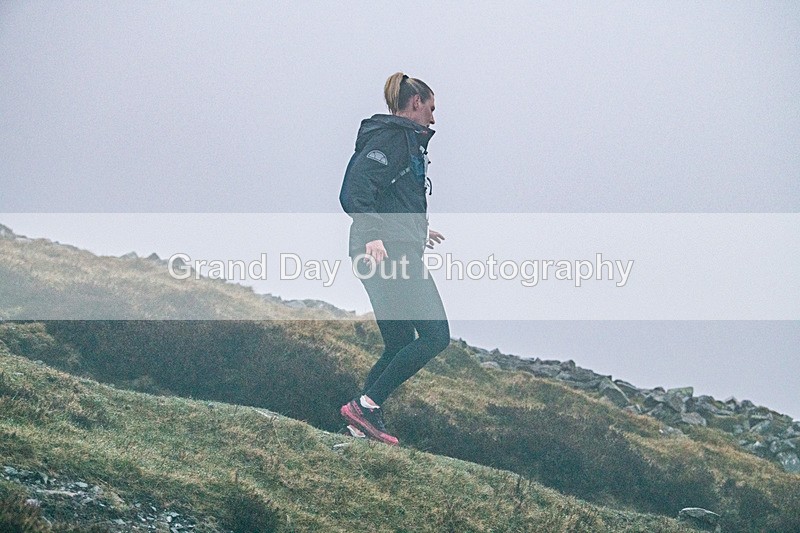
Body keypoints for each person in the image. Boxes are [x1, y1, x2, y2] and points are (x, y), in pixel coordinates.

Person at [338, 72, 450, 445]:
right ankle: (367, 406)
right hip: (385, 253)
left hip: (390, 247)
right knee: (436, 335)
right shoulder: (391, 137)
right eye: (431, 108)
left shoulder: (407, 143)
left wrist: (419, 231)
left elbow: (389, 195)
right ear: (415, 102)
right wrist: (375, 235)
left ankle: (359, 420)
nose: (433, 118)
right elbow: (355, 189)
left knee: (401, 339)